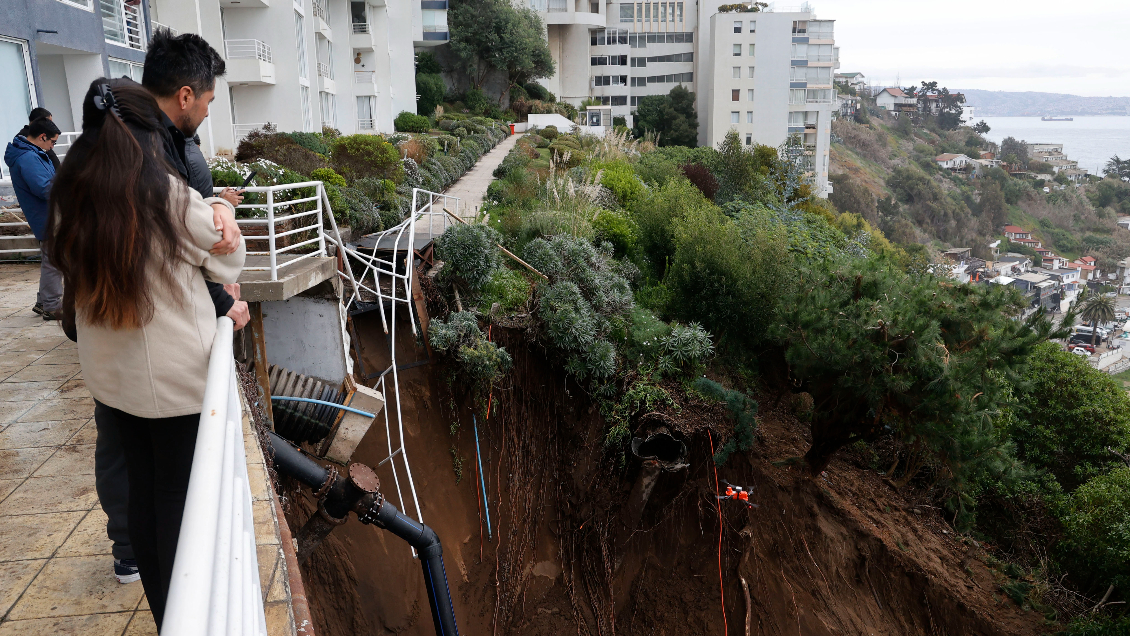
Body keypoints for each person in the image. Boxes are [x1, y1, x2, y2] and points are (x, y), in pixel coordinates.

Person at [48, 78, 245, 631]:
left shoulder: (71, 193)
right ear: (148, 131)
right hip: (176, 384)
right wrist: (216, 207)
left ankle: (167, 615)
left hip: (113, 381)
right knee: (179, 506)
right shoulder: (163, 193)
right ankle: (189, 614)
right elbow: (226, 264)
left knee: (141, 492)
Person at [4, 117, 63, 320]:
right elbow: (44, 188)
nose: (52, 147)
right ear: (42, 136)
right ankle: (52, 305)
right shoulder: (28, 158)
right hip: (46, 215)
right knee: (54, 260)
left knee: (52, 258)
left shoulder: (31, 154)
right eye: (52, 142)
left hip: (46, 214)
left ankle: (43, 301)